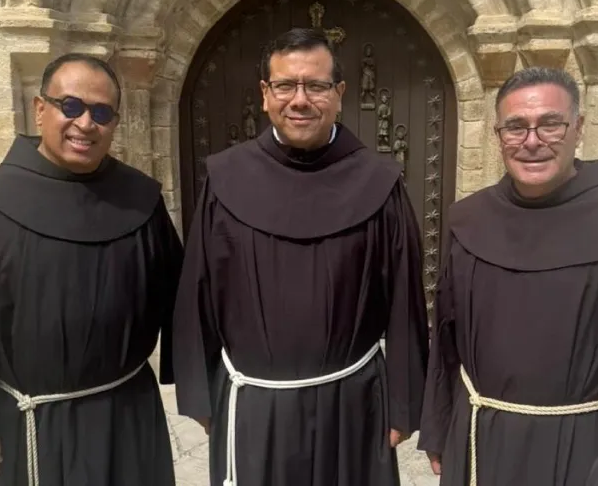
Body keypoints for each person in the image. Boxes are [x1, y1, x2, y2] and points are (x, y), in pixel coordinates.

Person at [171, 27, 430, 486]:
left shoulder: (380, 181)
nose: (300, 99)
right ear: (265, 94)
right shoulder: (226, 177)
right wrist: (199, 393)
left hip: (353, 404)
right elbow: (199, 290)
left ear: (340, 93)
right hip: (254, 403)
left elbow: (405, 301)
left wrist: (405, 405)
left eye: (316, 85)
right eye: (286, 85)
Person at [417, 66, 598, 486]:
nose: (532, 141)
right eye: (516, 127)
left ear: (578, 128)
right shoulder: (468, 222)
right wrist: (438, 427)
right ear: (497, 134)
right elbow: (447, 342)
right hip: (477, 442)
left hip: (578, 453)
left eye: (550, 124)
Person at [0, 52, 183, 486]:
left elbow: (181, 300)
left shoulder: (140, 200)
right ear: (40, 108)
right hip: (25, 424)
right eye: (71, 106)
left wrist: (202, 389)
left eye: (101, 113)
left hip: (126, 416)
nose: (85, 123)